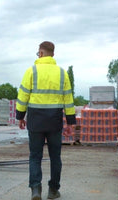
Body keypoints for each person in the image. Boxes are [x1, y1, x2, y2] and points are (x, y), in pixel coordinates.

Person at [16, 41, 76, 200]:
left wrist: (20, 117)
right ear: (53, 54)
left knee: (35, 156)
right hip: (54, 121)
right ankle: (53, 190)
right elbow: (68, 99)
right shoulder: (62, 73)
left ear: (41, 53)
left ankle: (36, 189)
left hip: (35, 120)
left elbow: (23, 96)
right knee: (55, 157)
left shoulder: (31, 71)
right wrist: (71, 123)